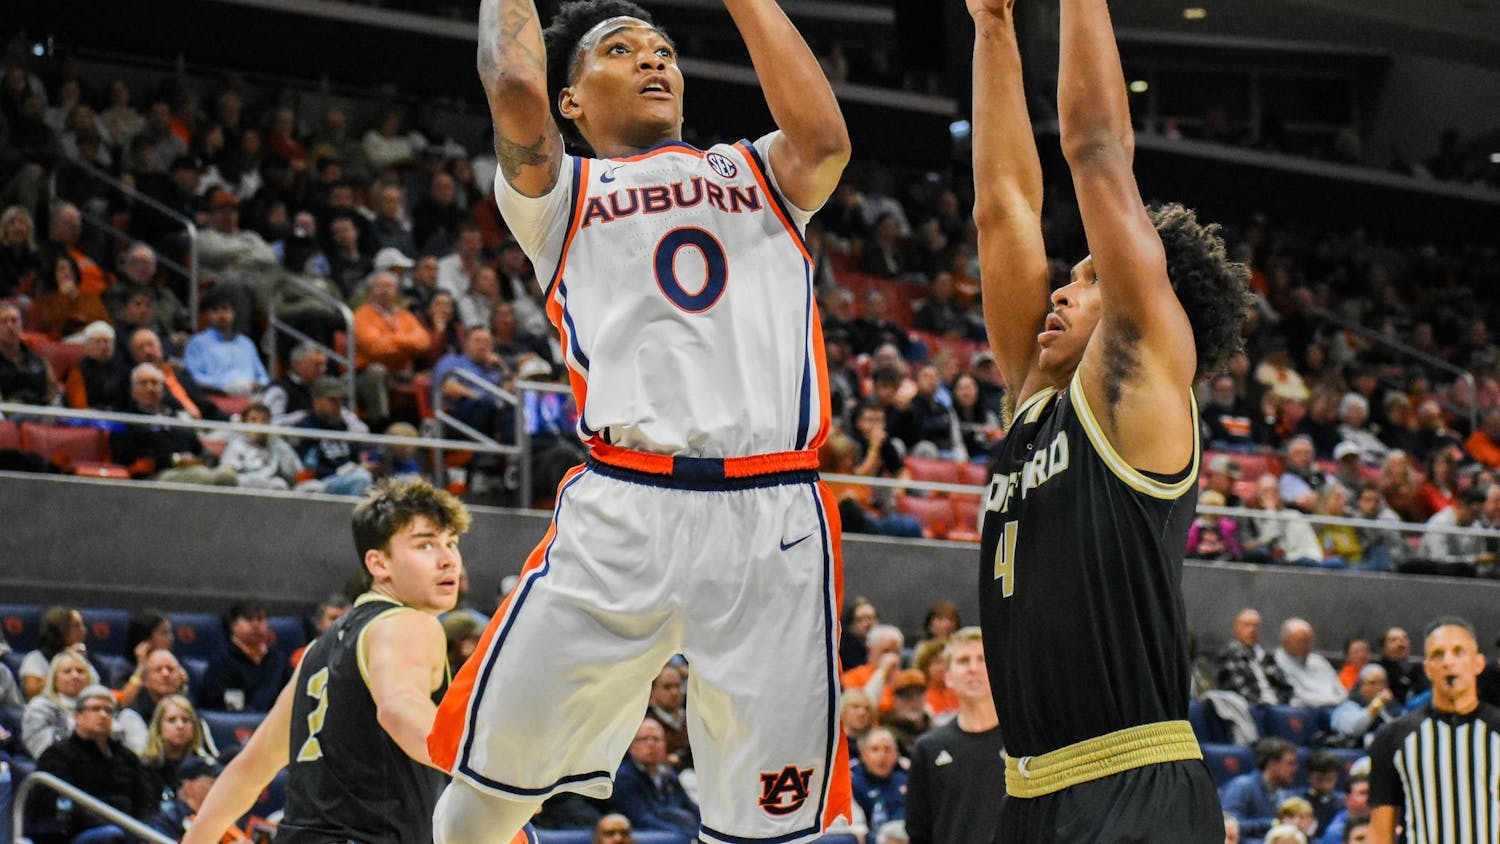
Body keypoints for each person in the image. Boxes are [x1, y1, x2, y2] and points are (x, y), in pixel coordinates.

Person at [426, 0, 852, 840]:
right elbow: (513, 81)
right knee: (487, 793)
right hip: (625, 508)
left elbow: (827, 142)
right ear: (572, 100)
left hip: (773, 516)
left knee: (769, 826)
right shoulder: (560, 193)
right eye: (620, 50)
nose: (654, 60)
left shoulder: (759, 170)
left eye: (663, 50)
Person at [968, 0, 1248, 838]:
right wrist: (991, 26)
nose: (1062, 287)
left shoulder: (1139, 383)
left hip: (1133, 785)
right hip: (1029, 793)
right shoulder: (1033, 396)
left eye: (1090, 278)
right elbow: (1003, 207)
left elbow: (1096, 147)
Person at [185, 480, 536, 844]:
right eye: (425, 544)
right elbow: (399, 709)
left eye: (451, 543)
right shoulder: (408, 623)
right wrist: (493, 772)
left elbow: (249, 769)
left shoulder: (318, 650)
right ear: (379, 563)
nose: (448, 559)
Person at [1365, 617, 1500, 844]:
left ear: (1478, 663)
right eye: (1438, 654)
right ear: (1428, 669)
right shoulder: (1393, 737)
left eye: (1459, 652)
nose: (1448, 662)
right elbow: (1380, 833)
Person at [903, 628, 1003, 844]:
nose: (973, 668)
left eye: (982, 659)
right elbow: (918, 832)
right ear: (948, 677)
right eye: (963, 661)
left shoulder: (1023, 743)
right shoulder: (928, 748)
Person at [33, 685, 157, 844]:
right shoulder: (57, 755)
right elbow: (64, 807)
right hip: (78, 834)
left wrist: (142, 831)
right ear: (77, 716)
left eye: (108, 710)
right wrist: (124, 829)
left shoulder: (128, 758)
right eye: (95, 709)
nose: (103, 715)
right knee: (112, 835)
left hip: (128, 831)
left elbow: (146, 802)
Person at [606, 718, 700, 836]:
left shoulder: (669, 775)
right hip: (645, 834)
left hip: (678, 830)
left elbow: (691, 807)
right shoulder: (623, 777)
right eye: (643, 739)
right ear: (631, 746)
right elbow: (641, 818)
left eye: (656, 739)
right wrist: (686, 834)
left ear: (665, 745)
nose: (651, 744)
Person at [199, 601, 292, 712]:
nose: (256, 625)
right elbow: (218, 705)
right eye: (249, 619)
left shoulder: (279, 660)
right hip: (237, 720)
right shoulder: (221, 663)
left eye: (260, 619)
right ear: (233, 625)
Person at [182, 289, 268, 396]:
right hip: (216, 396)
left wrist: (256, 385)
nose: (221, 314)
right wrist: (223, 386)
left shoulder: (246, 343)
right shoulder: (197, 343)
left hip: (251, 396)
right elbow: (193, 376)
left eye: (225, 309)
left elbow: (262, 376)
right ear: (206, 315)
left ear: (234, 313)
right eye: (215, 310)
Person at [1220, 738, 1300, 840]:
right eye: (1290, 763)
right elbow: (1229, 825)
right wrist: (1274, 824)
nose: (1295, 769)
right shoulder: (1242, 786)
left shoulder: (1283, 793)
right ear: (1272, 764)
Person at [1215, 608, 1294, 707]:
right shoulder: (1228, 655)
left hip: (1276, 706)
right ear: (1236, 629)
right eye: (1247, 625)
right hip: (1250, 707)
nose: (1252, 630)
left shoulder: (1266, 656)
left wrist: (1280, 702)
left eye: (1255, 626)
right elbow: (1236, 689)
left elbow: (1285, 687)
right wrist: (1261, 703)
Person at [1275, 618, 1349, 708]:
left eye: (1310, 641)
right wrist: (1332, 700)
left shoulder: (1318, 661)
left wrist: (1337, 701)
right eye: (1302, 641)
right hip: (1305, 710)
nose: (1308, 646)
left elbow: (1341, 691)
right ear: (1286, 642)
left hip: (1335, 706)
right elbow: (1297, 697)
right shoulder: (1276, 663)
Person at [850, 727, 905, 830]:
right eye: (875, 749)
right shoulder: (854, 785)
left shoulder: (904, 780)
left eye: (887, 749)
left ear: (896, 755)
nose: (882, 755)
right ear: (863, 755)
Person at [1330, 665, 1398, 747]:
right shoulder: (1346, 706)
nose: (1379, 687)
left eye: (1382, 683)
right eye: (1372, 683)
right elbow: (1353, 729)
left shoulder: (1390, 707)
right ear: (1361, 685)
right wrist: (1376, 705)